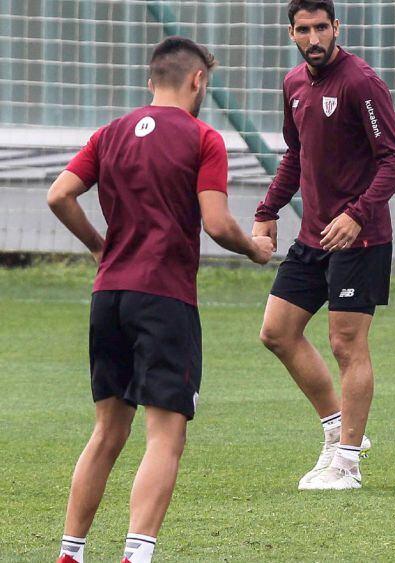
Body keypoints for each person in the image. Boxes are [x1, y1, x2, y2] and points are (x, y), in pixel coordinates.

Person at [48, 37, 274, 563]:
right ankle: (136, 555)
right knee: (164, 436)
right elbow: (217, 224)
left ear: (151, 82)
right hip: (165, 299)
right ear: (198, 81)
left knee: (107, 431)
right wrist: (256, 250)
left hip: (109, 296)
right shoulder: (202, 138)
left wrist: (100, 247)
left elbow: (59, 194)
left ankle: (70, 553)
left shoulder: (109, 134)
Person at [253, 0, 395, 491]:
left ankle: (347, 466)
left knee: (345, 344)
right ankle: (339, 431)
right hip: (311, 236)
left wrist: (356, 214)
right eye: (304, 29)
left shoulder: (361, 82)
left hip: (360, 239)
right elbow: (295, 154)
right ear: (292, 33)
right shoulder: (294, 83)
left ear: (336, 27)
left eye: (322, 27)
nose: (314, 37)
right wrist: (266, 210)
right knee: (277, 332)